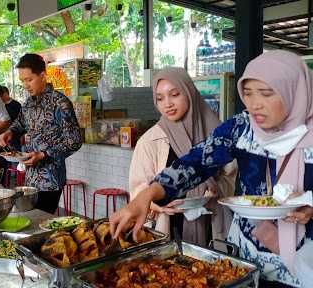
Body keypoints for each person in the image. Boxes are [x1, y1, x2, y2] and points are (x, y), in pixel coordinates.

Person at [110, 50, 313, 287]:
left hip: (305, 261)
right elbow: (197, 162)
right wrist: (147, 194)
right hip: (247, 256)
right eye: (247, 94)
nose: (255, 104)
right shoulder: (241, 127)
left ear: (295, 91)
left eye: (267, 94)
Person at [128, 67, 237, 246]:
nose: (167, 104)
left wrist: (215, 191)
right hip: (168, 227)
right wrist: (157, 204)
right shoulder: (150, 140)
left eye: (175, 94)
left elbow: (230, 176)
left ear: (189, 93)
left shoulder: (217, 134)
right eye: (160, 98)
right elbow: (138, 189)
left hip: (211, 224)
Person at [0, 53, 82, 214]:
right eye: (23, 81)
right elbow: (21, 122)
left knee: (41, 222)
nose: (26, 85)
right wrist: (9, 132)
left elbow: (75, 141)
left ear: (42, 76)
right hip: (31, 177)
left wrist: (44, 154)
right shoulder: (29, 102)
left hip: (51, 178)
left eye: (29, 80)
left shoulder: (60, 103)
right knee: (31, 220)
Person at [0, 83, 22, 151]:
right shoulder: (0, 107)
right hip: (1, 140)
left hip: (13, 141)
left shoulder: (15, 106)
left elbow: (18, 124)